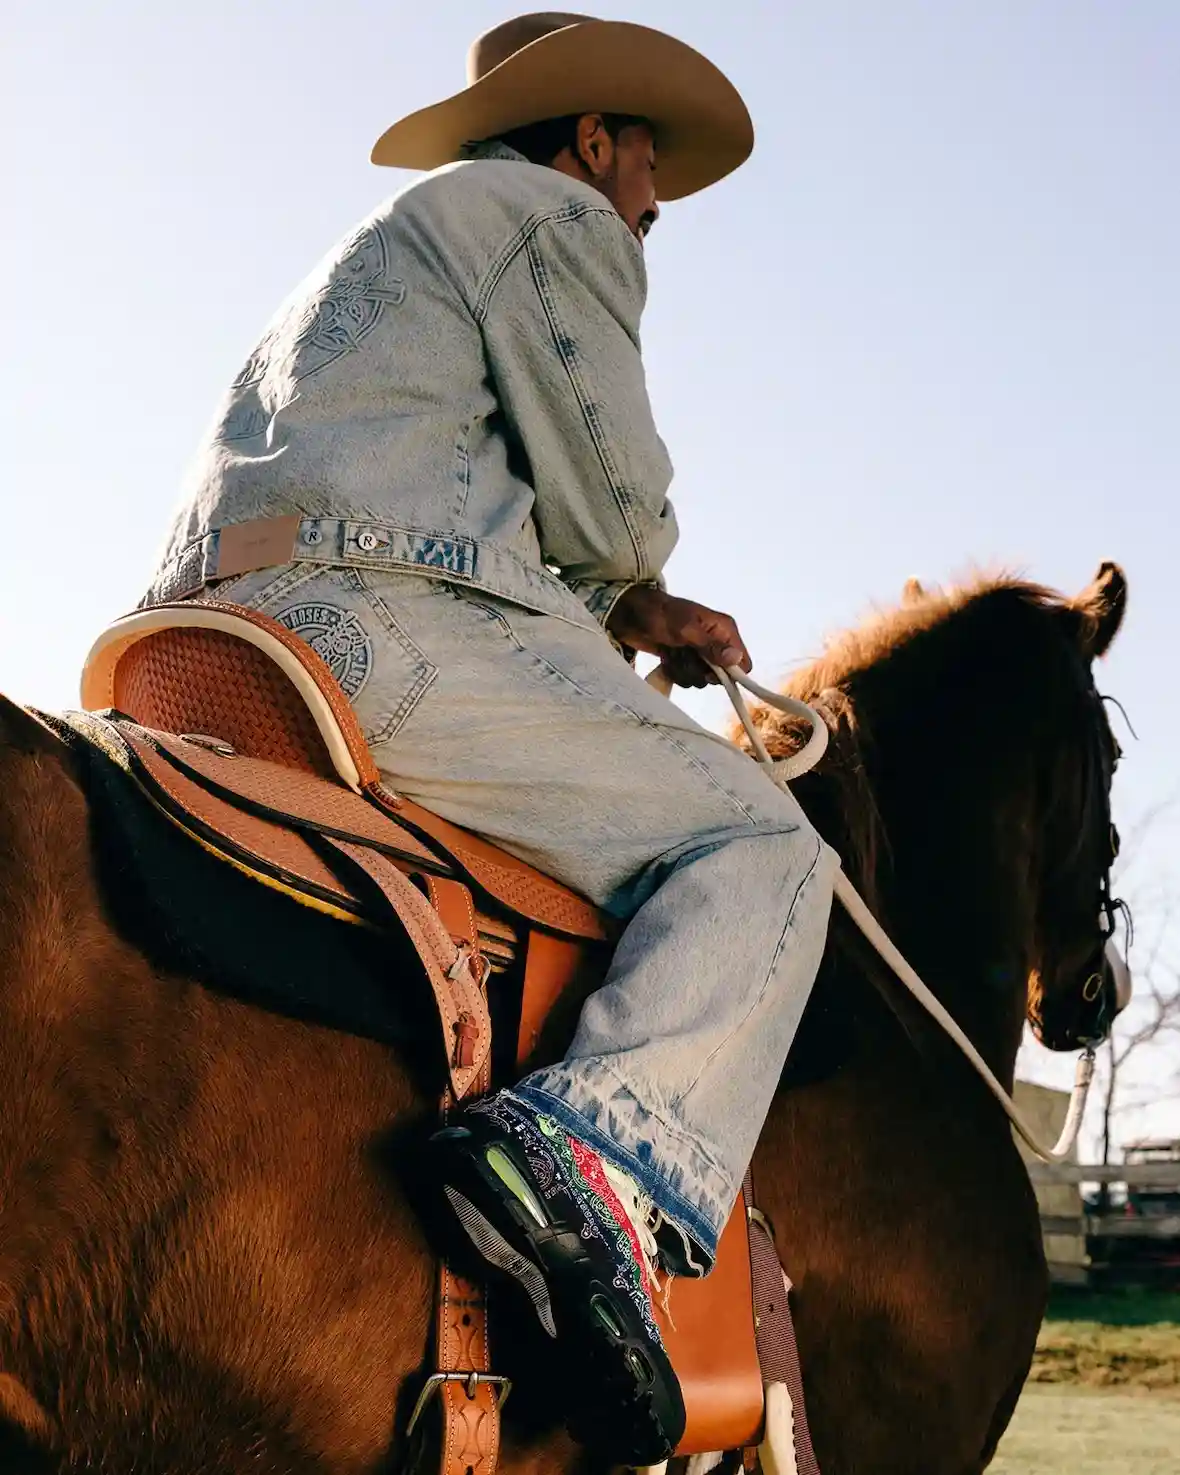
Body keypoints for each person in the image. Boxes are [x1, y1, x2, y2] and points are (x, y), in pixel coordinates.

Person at [144, 12, 836, 1461]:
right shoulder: (549, 216)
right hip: (382, 626)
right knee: (760, 841)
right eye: (649, 166)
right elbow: (614, 500)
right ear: (593, 139)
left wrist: (620, 607)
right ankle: (595, 1151)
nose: (655, 206)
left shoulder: (370, 251)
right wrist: (644, 578)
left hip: (188, 637)